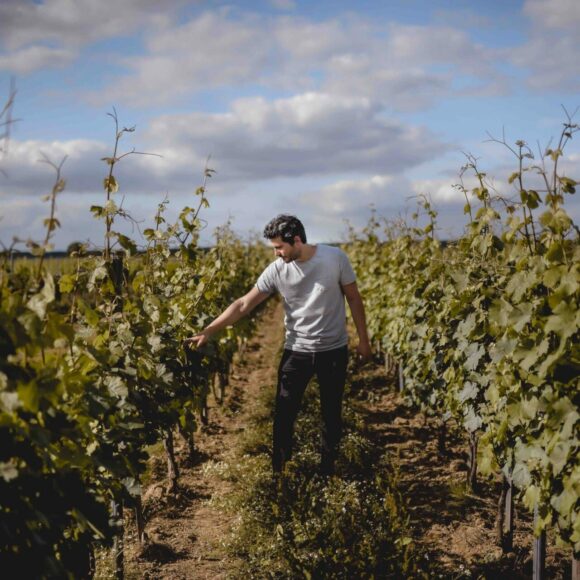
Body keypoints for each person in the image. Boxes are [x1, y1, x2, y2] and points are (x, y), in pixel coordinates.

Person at [186, 215, 372, 476]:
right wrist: (209, 331)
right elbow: (243, 304)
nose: (276, 253)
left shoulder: (335, 258)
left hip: (333, 350)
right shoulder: (277, 269)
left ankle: (327, 472)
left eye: (279, 247)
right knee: (284, 415)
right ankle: (280, 474)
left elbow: (354, 298)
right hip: (297, 352)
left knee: (331, 414)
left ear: (296, 240)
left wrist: (364, 340)